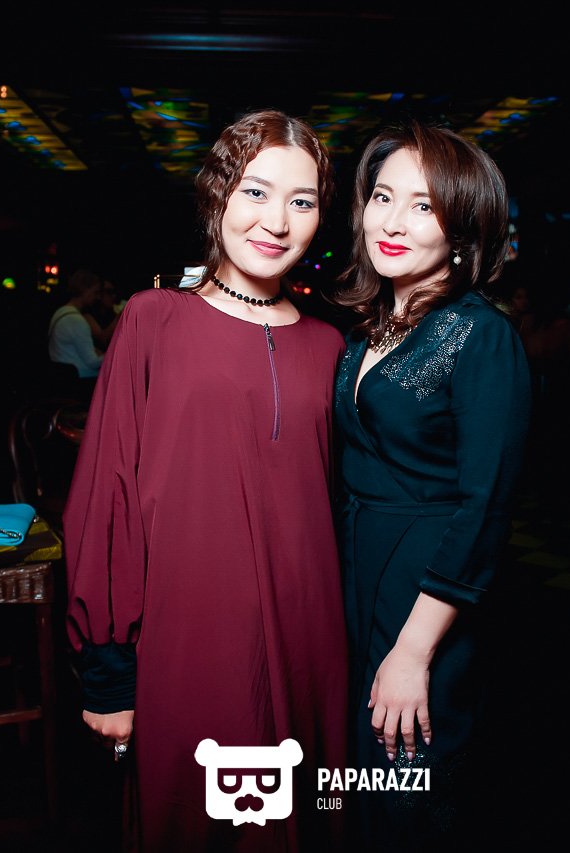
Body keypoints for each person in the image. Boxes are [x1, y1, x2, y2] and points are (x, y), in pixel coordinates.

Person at [63, 109, 348, 852]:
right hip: (190, 638)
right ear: (217, 194)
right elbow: (107, 494)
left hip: (309, 638)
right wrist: (107, 668)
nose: (276, 222)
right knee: (197, 821)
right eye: (255, 192)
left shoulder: (330, 345)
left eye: (302, 200)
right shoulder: (153, 320)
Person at [331, 122, 530, 850]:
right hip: (358, 570)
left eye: (423, 206)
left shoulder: (481, 336)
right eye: (383, 197)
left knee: (408, 784)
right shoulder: (368, 329)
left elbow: (485, 507)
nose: (392, 221)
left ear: (463, 226)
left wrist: (414, 651)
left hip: (427, 592)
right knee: (360, 779)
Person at [47, 268, 110, 381]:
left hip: (62, 376)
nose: (97, 297)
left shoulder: (60, 312)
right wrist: (112, 354)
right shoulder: (76, 320)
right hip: (80, 379)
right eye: (95, 292)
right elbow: (92, 362)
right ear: (85, 290)